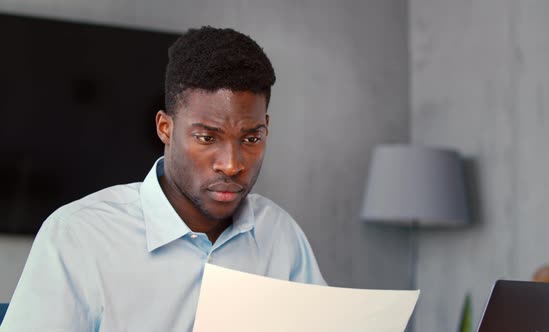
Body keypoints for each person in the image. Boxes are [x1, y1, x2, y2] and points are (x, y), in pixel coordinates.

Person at [0, 26, 325, 332]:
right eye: (207, 138)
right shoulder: (78, 236)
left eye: (251, 140)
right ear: (165, 128)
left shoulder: (281, 236)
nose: (231, 165)